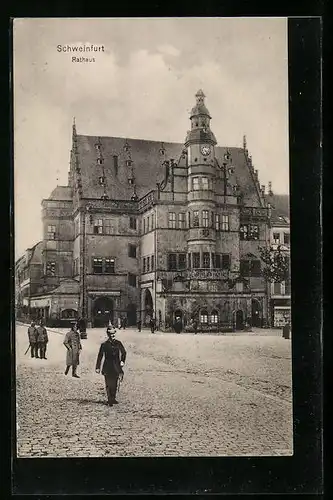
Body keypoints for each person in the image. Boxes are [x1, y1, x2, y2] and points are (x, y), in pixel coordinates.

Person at [95, 326, 127, 406]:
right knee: (108, 383)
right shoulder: (104, 344)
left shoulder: (118, 343)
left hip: (116, 365)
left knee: (115, 383)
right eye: (110, 334)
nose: (112, 335)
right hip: (107, 366)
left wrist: (122, 361)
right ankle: (109, 399)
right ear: (108, 334)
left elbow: (124, 352)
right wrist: (98, 367)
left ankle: (113, 397)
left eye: (113, 334)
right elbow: (100, 356)